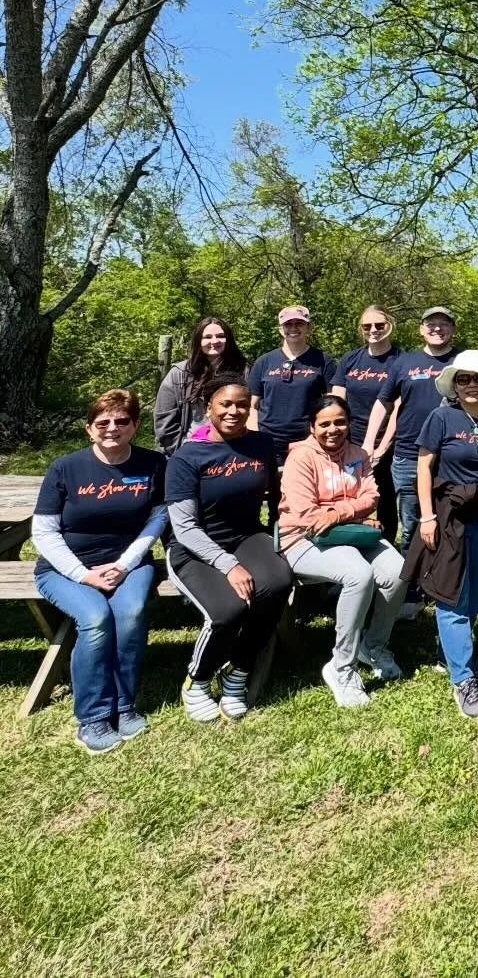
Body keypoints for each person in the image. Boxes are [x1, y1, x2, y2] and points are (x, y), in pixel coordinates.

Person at [33, 389, 167, 753]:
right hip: (65, 569)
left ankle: (123, 705)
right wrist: (83, 575)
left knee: (131, 613)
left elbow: (157, 519)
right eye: (102, 422)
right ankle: (92, 716)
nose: (112, 428)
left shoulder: (153, 464)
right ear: (89, 428)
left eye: (122, 421)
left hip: (130, 563)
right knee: (94, 618)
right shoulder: (65, 467)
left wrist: (124, 565)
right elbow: (43, 532)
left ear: (135, 425)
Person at [166, 374, 293, 722]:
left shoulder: (261, 444)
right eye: (226, 404)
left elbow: (276, 495)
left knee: (278, 581)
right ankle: (199, 678)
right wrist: (228, 565)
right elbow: (184, 527)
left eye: (241, 404)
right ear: (209, 408)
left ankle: (238, 669)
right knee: (228, 611)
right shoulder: (187, 457)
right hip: (194, 548)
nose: (234, 411)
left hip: (247, 536)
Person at [403, 350, 478, 719]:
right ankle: (463, 679)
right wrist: (427, 517)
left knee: (476, 591)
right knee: (452, 593)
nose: (471, 385)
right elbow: (423, 467)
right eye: (464, 379)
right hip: (448, 515)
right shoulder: (441, 418)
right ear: (454, 383)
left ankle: (448, 654)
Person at [278, 395, 405, 708]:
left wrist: (336, 513)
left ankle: (372, 646)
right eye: (324, 424)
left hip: (352, 534)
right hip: (302, 539)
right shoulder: (301, 458)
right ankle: (341, 667)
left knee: (399, 570)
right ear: (312, 427)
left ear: (349, 424)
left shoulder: (358, 454)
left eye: (340, 422)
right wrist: (351, 511)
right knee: (358, 574)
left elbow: (372, 496)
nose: (333, 429)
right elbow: (307, 515)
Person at [366, 306, 460, 555]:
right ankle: (411, 581)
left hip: (451, 454)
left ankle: (443, 576)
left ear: (453, 329)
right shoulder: (404, 362)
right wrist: (369, 443)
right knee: (411, 523)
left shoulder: (462, 362)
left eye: (444, 323)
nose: (437, 328)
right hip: (408, 454)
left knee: (449, 518)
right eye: (431, 324)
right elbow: (383, 403)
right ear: (421, 330)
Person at [330, 306, 404, 538]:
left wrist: (381, 448)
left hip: (387, 441)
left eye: (379, 325)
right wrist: (339, 437)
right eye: (367, 326)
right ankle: (350, 537)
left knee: (384, 494)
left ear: (390, 325)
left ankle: (386, 542)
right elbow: (336, 401)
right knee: (348, 491)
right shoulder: (350, 359)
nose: (373, 330)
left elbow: (399, 408)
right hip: (350, 438)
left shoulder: (402, 361)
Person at [247, 305, 336, 466]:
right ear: (281, 329)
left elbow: (333, 402)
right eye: (288, 324)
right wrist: (255, 436)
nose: (293, 328)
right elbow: (252, 405)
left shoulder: (323, 360)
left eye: (299, 323)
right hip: (269, 440)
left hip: (308, 440)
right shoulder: (264, 361)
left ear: (308, 327)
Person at [154, 317, 247, 455]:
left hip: (234, 452)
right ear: (198, 341)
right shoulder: (179, 374)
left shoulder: (244, 371)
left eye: (220, 336)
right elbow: (164, 423)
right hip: (190, 451)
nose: (214, 341)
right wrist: (186, 454)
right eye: (207, 337)